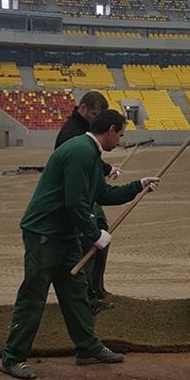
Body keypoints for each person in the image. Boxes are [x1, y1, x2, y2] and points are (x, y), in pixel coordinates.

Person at [0, 110, 160, 380]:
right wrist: (95, 234)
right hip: (44, 234)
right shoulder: (81, 152)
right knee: (33, 295)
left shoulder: (91, 154)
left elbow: (102, 194)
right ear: (110, 130)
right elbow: (76, 203)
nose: (119, 141)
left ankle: (87, 348)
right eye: (120, 135)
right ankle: (13, 357)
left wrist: (138, 186)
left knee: (76, 292)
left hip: (64, 234)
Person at [55, 91, 120, 314]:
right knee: (92, 241)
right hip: (80, 197)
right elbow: (80, 170)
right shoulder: (72, 134)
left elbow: (93, 159)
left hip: (88, 195)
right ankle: (89, 297)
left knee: (102, 237)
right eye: (93, 113)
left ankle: (97, 288)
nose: (95, 118)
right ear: (82, 108)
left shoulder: (84, 133)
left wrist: (108, 169)